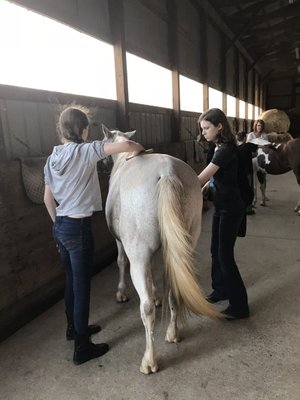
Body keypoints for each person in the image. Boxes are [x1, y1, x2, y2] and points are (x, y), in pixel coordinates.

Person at [44, 106, 145, 365]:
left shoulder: (52, 156)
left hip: (61, 226)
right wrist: (137, 149)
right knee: (82, 288)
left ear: (61, 130)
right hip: (78, 228)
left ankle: (72, 329)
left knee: (71, 281)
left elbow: (47, 198)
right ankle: (82, 347)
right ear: (84, 130)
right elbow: (127, 145)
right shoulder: (87, 150)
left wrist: (58, 226)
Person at [197, 108, 249, 320]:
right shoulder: (219, 146)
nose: (203, 133)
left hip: (231, 208)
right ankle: (221, 289)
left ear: (219, 126)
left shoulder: (225, 149)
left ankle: (240, 306)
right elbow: (215, 176)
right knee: (215, 250)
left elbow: (201, 177)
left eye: (207, 128)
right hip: (221, 206)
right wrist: (208, 186)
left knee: (225, 255)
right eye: (202, 129)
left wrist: (179, 185)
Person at [247, 119, 269, 206]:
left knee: (263, 179)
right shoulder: (251, 135)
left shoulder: (264, 135)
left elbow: (266, 146)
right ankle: (254, 198)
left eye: (261, 126)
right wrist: (261, 145)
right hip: (252, 159)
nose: (260, 127)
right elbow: (249, 146)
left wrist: (256, 145)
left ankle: (263, 196)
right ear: (255, 126)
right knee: (253, 181)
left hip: (262, 159)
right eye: (258, 125)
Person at [236, 131, 258, 215]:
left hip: (239, 173)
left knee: (241, 189)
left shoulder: (236, 149)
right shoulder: (248, 146)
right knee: (248, 189)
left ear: (237, 139)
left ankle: (240, 206)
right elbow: (256, 147)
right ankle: (248, 209)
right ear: (245, 138)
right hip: (248, 172)